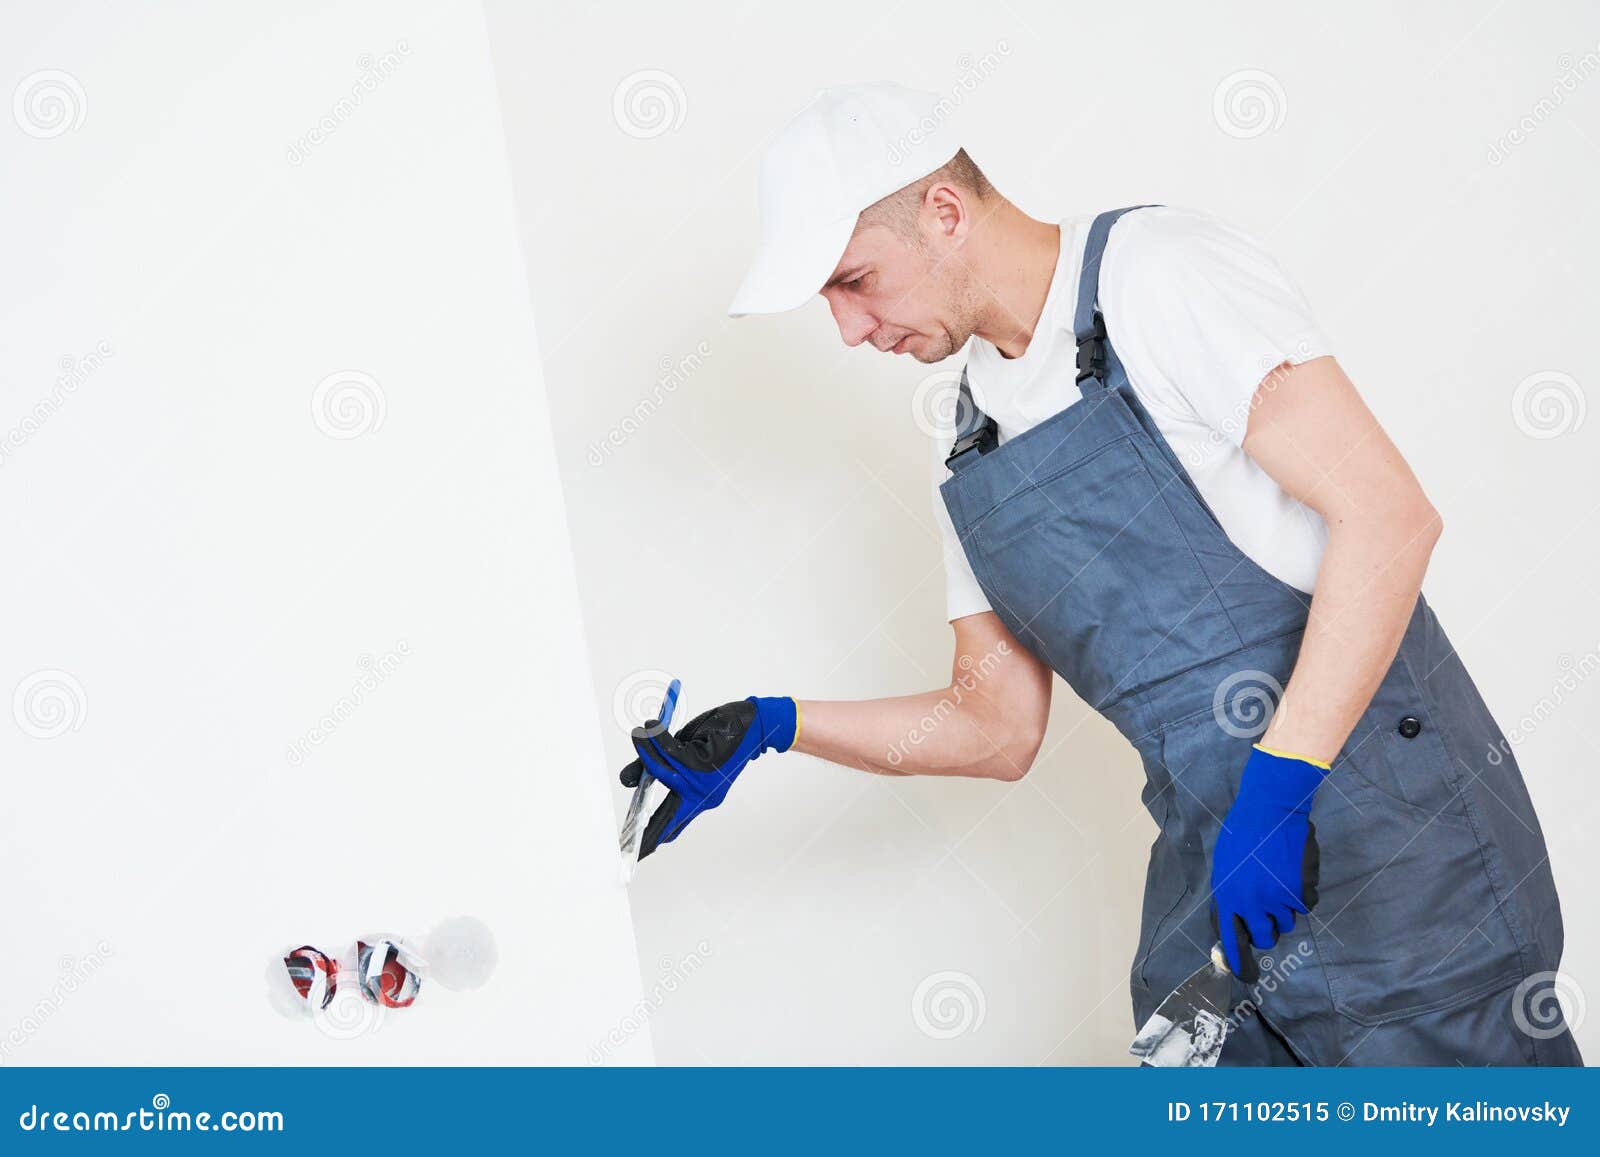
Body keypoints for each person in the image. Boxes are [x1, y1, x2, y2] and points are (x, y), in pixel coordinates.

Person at [618, 82, 1581, 1066]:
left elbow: (1386, 517)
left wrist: (1279, 786)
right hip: (1218, 859)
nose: (848, 329)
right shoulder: (972, 441)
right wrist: (776, 724)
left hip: (1396, 849)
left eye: (853, 279)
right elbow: (992, 726)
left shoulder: (1155, 277)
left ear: (943, 212)